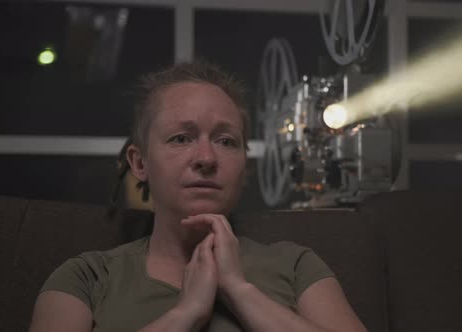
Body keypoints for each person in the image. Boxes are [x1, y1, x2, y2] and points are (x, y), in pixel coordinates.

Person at [29, 61, 367, 332]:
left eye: (226, 141)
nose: (206, 158)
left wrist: (239, 291)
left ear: (243, 165)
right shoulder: (85, 278)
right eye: (180, 138)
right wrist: (186, 314)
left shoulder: (296, 266)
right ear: (140, 162)